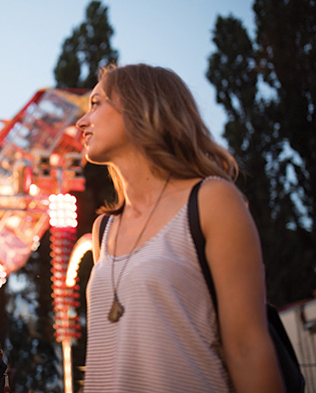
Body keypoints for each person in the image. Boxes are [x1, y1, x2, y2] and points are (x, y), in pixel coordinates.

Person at [76, 63, 284, 392]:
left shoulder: (211, 201)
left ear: (140, 107)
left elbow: (247, 348)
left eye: (97, 103)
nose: (81, 121)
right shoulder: (104, 229)